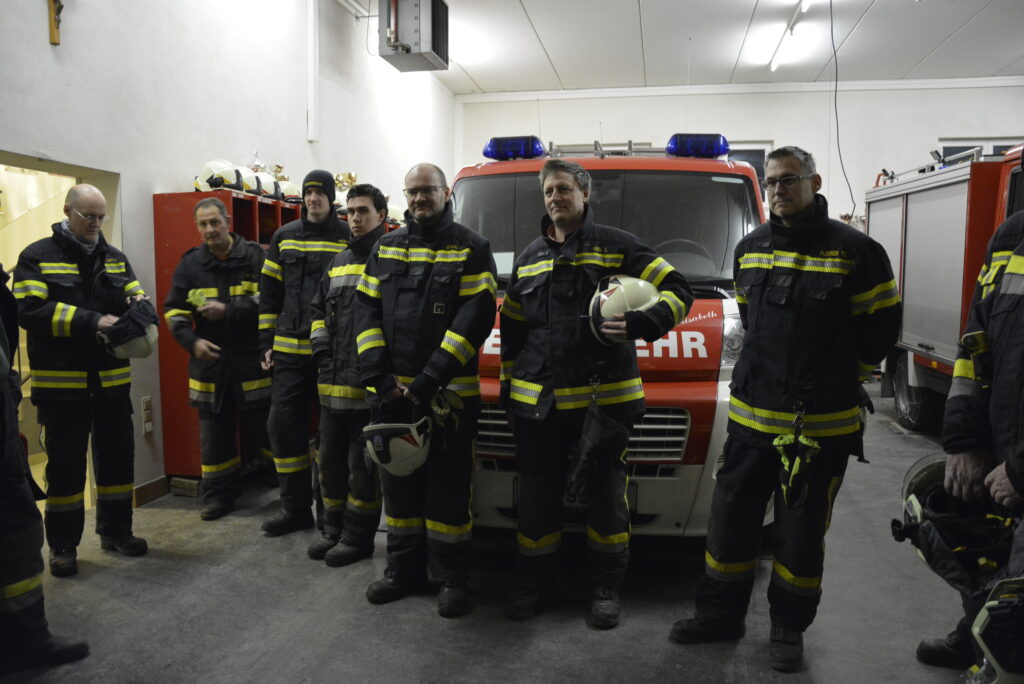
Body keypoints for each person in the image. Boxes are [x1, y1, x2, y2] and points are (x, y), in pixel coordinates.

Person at [669, 147, 901, 672]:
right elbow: (753, 321)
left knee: (798, 538)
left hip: (817, 429)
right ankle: (719, 617)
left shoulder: (858, 251)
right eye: (771, 182)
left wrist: (836, 376)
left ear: (814, 183)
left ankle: (787, 629)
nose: (778, 190)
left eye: (789, 180)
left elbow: (881, 329)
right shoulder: (749, 248)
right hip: (750, 424)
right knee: (729, 526)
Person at [499, 159, 694, 629]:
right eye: (549, 191)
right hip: (540, 406)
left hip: (603, 404)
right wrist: (509, 388)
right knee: (537, 499)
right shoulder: (529, 257)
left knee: (607, 499)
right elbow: (513, 328)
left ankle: (605, 586)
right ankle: (531, 583)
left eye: (564, 189)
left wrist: (644, 322)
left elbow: (678, 288)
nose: (555, 197)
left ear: (585, 194)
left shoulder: (618, 245)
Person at [354, 163, 496, 618]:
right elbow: (365, 311)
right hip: (391, 395)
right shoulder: (386, 247)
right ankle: (402, 572)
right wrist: (378, 376)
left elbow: (474, 320)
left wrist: (428, 379)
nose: (419, 199)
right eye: (412, 192)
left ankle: (451, 578)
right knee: (398, 490)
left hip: (447, 397)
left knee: (448, 493)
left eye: (427, 191)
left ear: (444, 192)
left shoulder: (472, 248)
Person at [12, 184, 151, 577]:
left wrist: (141, 315)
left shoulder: (116, 259)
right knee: (66, 471)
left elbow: (138, 299)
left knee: (118, 463)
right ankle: (63, 546)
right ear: (67, 211)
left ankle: (117, 532)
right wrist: (93, 321)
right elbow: (29, 311)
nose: (95, 224)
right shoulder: (36, 256)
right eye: (88, 216)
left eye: (100, 217)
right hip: (62, 389)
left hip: (111, 384)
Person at [917, 205, 1024, 670]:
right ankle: (984, 630)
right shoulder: (1013, 237)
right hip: (1005, 449)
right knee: (948, 520)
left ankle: (1002, 647)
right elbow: (975, 346)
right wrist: (964, 441)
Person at [0, 268, 90, 675]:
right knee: (16, 523)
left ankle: (23, 636)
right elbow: (30, 312)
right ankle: (27, 640)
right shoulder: (38, 261)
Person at [164, 198, 270, 521]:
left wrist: (229, 310)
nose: (210, 229)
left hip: (252, 362)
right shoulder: (190, 264)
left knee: (267, 428)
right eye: (203, 224)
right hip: (210, 364)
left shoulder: (254, 256)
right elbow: (174, 311)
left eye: (215, 222)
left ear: (228, 222)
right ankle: (219, 496)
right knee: (215, 436)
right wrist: (192, 343)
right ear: (197, 227)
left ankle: (281, 485)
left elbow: (271, 300)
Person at [258, 170, 350, 536]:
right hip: (288, 354)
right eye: (309, 193)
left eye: (319, 193)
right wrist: (265, 342)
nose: (313, 199)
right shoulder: (284, 237)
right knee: (283, 428)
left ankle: (330, 515)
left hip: (332, 355)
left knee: (331, 435)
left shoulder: (347, 236)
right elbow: (269, 294)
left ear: (331, 198)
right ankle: (295, 510)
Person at [306, 184, 387, 565]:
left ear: (381, 215)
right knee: (328, 463)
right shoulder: (337, 262)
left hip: (367, 390)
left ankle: (357, 538)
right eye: (351, 211)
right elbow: (317, 312)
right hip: (331, 386)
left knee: (362, 469)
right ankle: (331, 530)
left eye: (363, 211)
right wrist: (321, 351)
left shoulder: (390, 258)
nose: (355, 218)